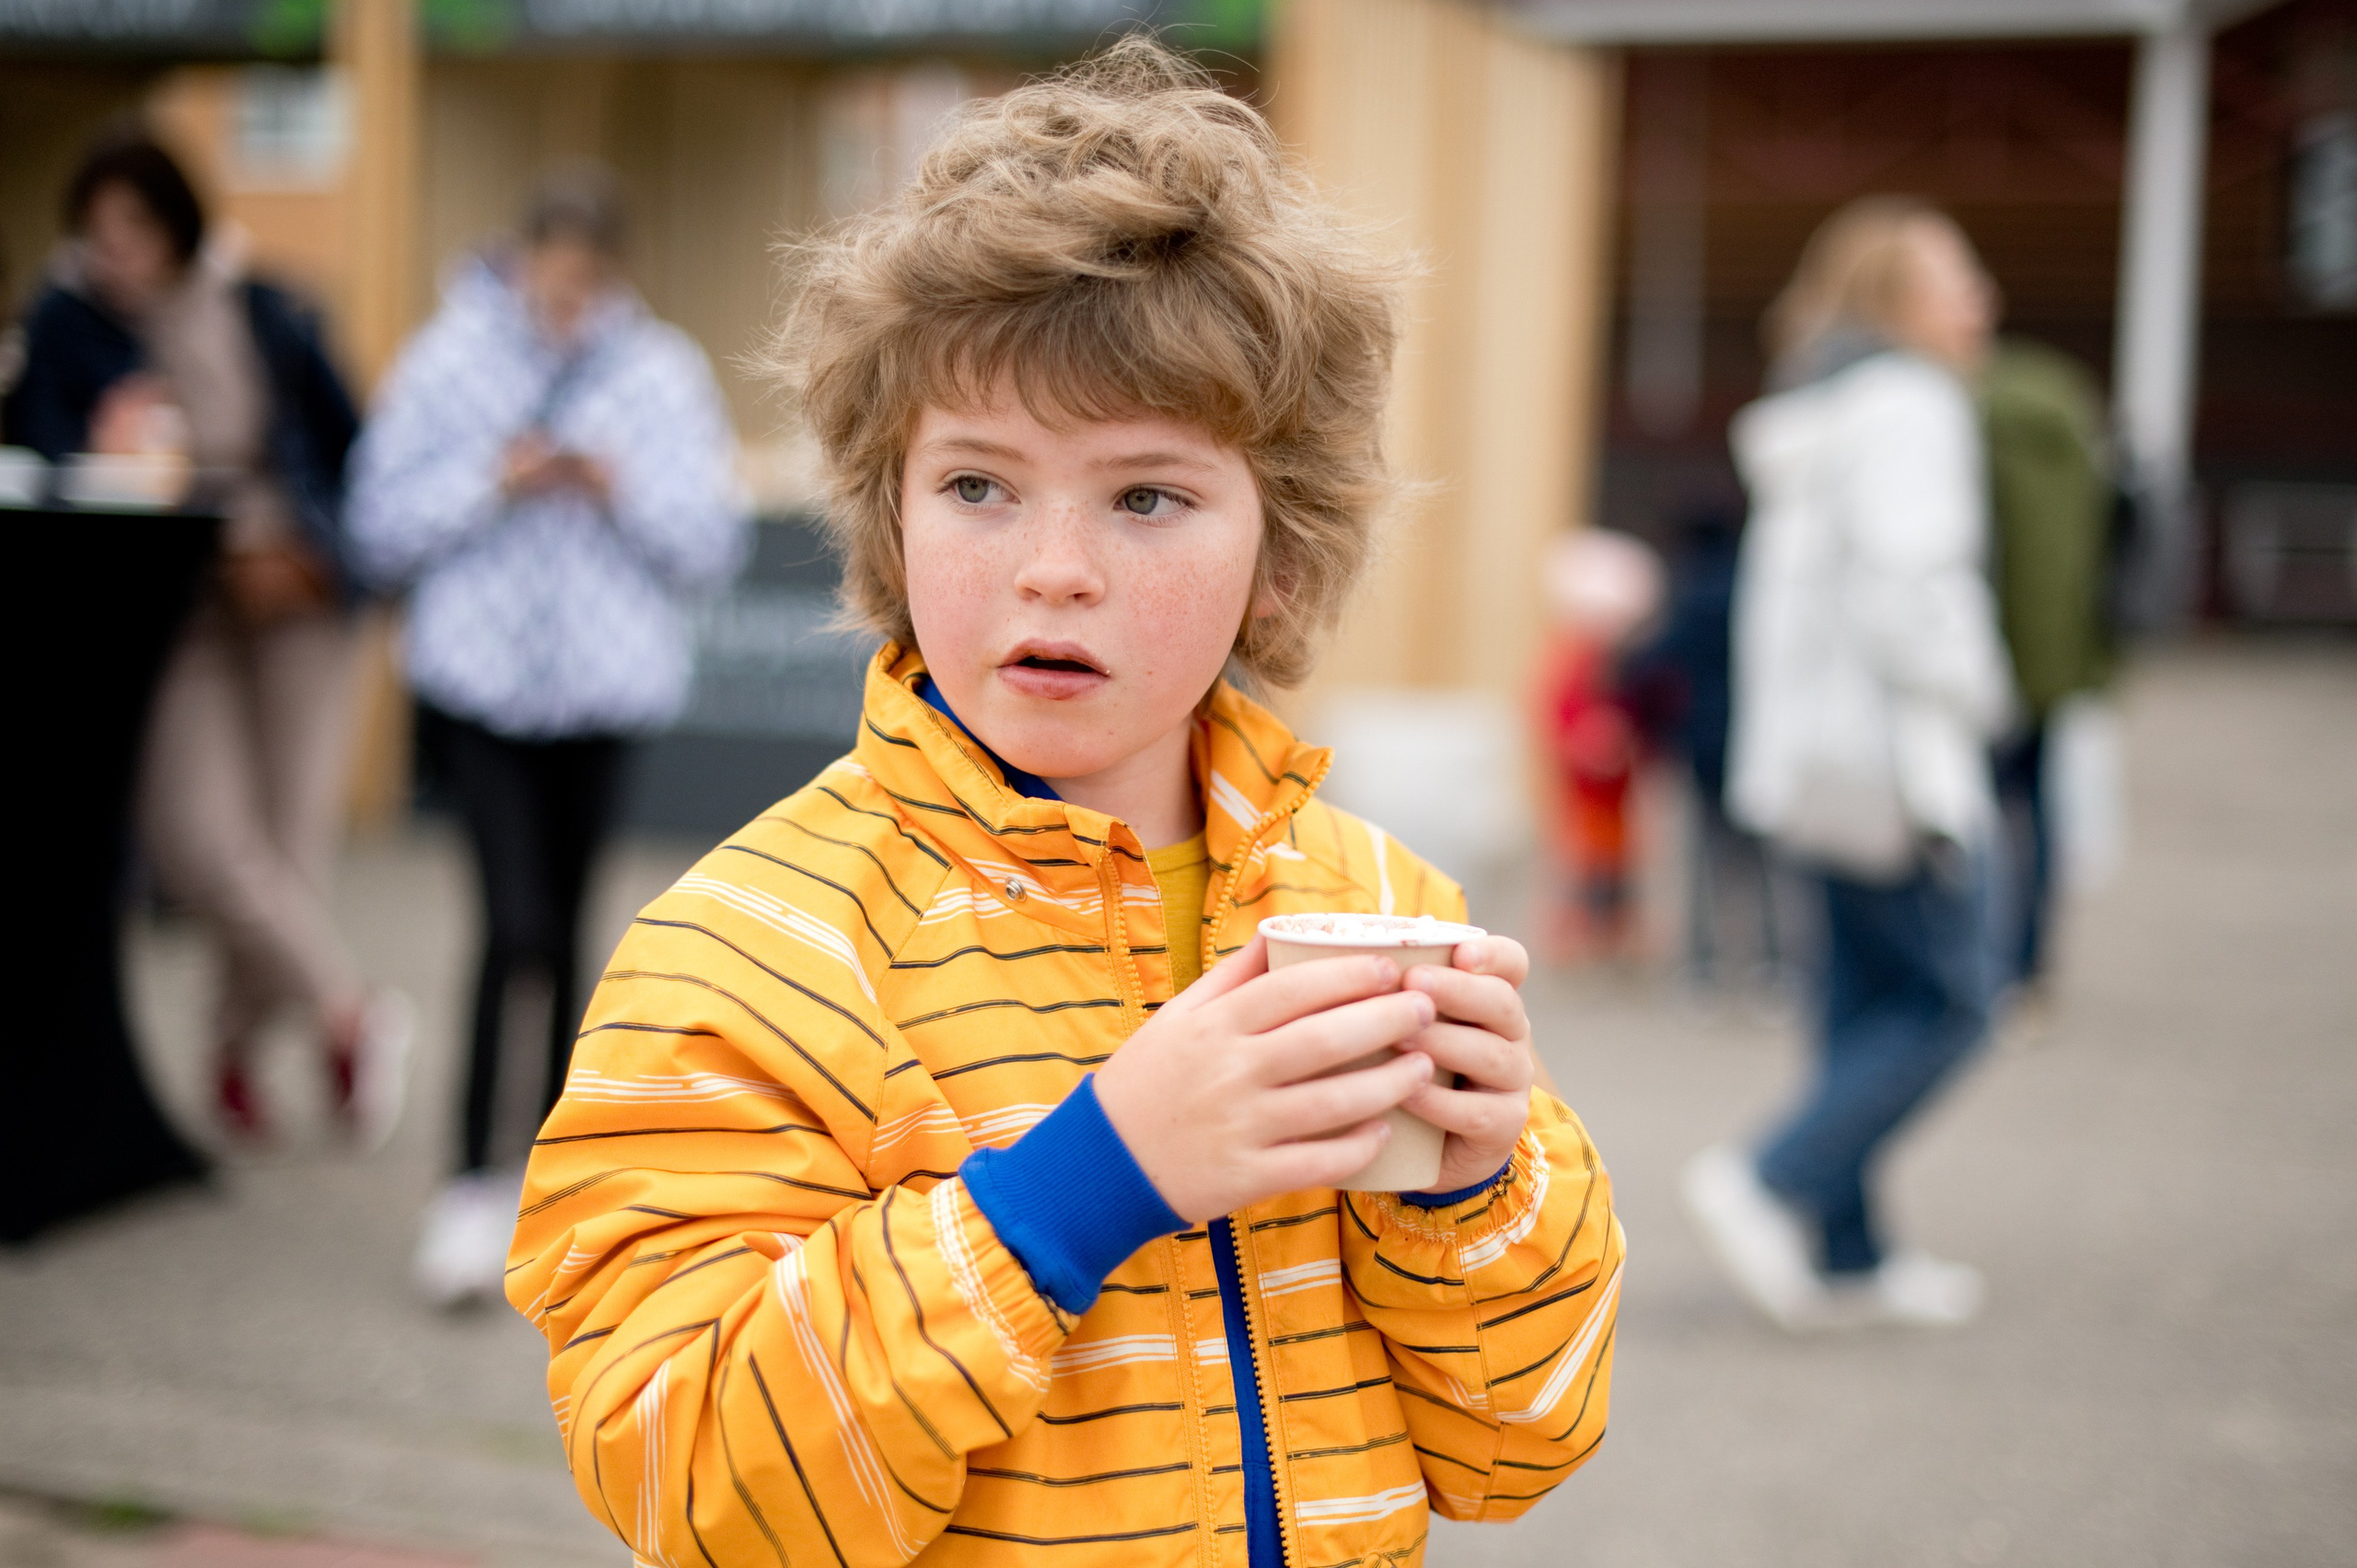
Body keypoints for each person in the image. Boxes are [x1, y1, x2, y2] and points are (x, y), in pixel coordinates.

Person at [505, 40, 1623, 1568]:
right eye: (977, 484)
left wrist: (1483, 1187)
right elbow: (691, 1479)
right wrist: (1077, 1190)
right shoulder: (749, 951)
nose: (1052, 566)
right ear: (889, 510)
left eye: (1146, 495)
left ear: (1277, 551)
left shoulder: (1381, 916)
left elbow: (1521, 1439)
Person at [346, 165, 749, 1305]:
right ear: (521, 262)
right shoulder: (449, 358)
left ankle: (553, 1181)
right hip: (476, 686)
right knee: (507, 923)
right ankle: (467, 1180)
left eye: (589, 282)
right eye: (553, 278)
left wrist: (615, 485)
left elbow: (706, 543)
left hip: (603, 690)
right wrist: (497, 478)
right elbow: (378, 522)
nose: (568, 301)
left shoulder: (661, 371)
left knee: (571, 933)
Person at [5, 128, 409, 1147]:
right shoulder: (66, 321)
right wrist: (97, 440)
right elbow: (36, 448)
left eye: (134, 228)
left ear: (175, 222)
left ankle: (229, 1054)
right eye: (98, 232)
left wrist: (326, 554)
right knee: (202, 843)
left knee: (287, 845)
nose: (116, 252)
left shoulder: (258, 303)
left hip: (298, 602)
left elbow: (344, 440)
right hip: (173, 607)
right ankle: (350, 1012)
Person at [1682, 196, 2014, 1330]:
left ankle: (1852, 1252)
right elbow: (1912, 588)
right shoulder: (1910, 407)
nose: (1982, 302)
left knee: (1862, 1000)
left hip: (1812, 767)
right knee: (1957, 999)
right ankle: (1768, 1175)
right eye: (1960, 277)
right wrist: (1984, 693)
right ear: (1901, 299)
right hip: (1897, 768)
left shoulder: (1813, 412)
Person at [1981, 338, 2115, 1001]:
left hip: (1984, 660)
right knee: (2039, 811)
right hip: (2058, 657)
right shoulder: (2073, 435)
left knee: (1974, 813)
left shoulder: (1975, 428)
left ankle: (1978, 953)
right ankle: (2029, 965)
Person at [1529, 528, 1663, 962]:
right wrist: (1582, 742)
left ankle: (1610, 940)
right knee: (1580, 863)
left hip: (1614, 787)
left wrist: (1628, 740)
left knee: (1616, 866)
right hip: (1584, 785)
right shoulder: (1571, 658)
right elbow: (1556, 711)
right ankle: (1577, 940)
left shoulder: (1621, 660)